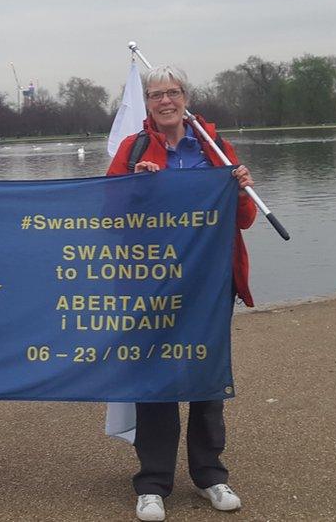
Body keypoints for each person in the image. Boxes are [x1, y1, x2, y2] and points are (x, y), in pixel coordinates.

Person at [107, 65, 256, 522]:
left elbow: (244, 219)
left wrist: (243, 189)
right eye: (156, 94)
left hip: (210, 285)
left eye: (173, 92)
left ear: (186, 96)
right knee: (157, 382)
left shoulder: (213, 147)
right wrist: (137, 186)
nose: (165, 100)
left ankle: (210, 474)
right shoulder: (134, 150)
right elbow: (107, 211)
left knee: (207, 380)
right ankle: (153, 483)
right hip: (152, 284)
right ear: (147, 103)